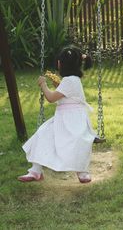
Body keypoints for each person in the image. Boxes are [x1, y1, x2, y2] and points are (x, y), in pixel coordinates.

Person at [18, 45, 97, 184]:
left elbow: (51, 98)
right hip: (68, 118)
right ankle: (36, 171)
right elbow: (65, 95)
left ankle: (82, 170)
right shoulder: (73, 79)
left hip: (71, 120)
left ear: (60, 64)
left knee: (76, 142)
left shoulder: (69, 80)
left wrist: (43, 85)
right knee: (43, 135)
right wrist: (57, 85)